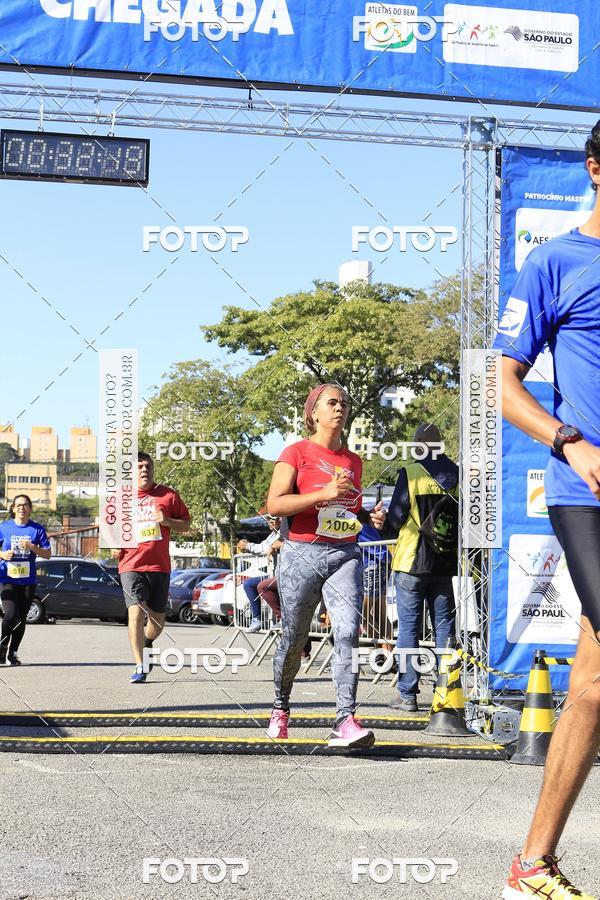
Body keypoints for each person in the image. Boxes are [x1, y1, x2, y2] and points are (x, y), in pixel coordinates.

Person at [496, 123, 600, 899]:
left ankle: (532, 866)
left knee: (594, 680)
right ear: (595, 169)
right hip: (587, 490)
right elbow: (504, 386)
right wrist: (571, 443)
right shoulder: (553, 261)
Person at [266, 383, 385, 747]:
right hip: (301, 554)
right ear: (314, 413)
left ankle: (345, 719)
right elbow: (275, 505)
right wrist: (323, 493)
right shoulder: (296, 452)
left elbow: (344, 507)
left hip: (345, 554)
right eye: (332, 403)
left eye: (344, 403)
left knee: (348, 632)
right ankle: (280, 707)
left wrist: (367, 517)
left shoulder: (353, 461)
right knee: (294, 638)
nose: (340, 408)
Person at [386, 424, 458, 712]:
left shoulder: (411, 473)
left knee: (409, 630)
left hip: (411, 562)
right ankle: (448, 693)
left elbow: (396, 516)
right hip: (445, 562)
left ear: (419, 445)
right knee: (445, 628)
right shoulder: (457, 476)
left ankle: (407, 694)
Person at [118, 452, 191, 684]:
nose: (144, 470)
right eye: (139, 466)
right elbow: (109, 529)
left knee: (157, 621)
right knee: (136, 611)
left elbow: (187, 524)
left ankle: (148, 642)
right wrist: (111, 543)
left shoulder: (168, 495)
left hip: (159, 566)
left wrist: (167, 521)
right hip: (130, 564)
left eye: (147, 466)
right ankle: (140, 665)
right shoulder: (120, 498)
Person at [0, 494, 51, 665]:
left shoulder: (37, 530)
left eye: (26, 505)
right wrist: (2, 554)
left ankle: (13, 653)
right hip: (7, 578)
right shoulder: (4, 527)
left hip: (27, 581)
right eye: (19, 505)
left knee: (21, 618)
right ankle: (2, 648)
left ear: (30, 508)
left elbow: (48, 554)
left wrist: (32, 547)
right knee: (10, 614)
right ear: (13, 509)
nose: (22, 508)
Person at [238, 513, 283, 633]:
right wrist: (247, 547)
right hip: (272, 574)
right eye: (268, 520)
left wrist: (248, 545)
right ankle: (257, 619)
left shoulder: (283, 532)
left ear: (281, 520)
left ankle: (282, 619)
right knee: (248, 584)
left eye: (273, 520)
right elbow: (263, 546)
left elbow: (266, 547)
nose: (270, 522)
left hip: (283, 575)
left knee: (263, 587)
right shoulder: (272, 534)